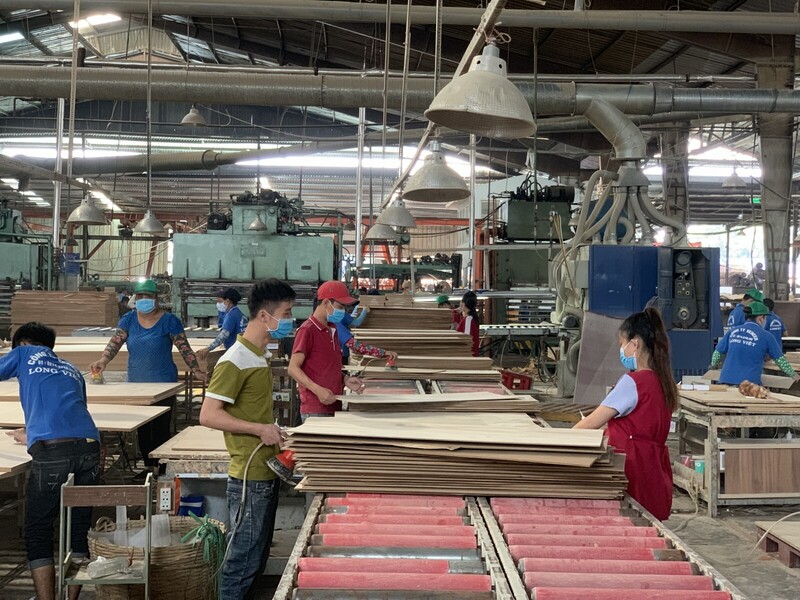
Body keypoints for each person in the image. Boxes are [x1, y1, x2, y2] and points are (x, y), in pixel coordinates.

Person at [199, 279, 295, 600]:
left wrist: (274, 430)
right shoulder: (235, 359)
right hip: (249, 478)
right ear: (265, 316)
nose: (290, 319)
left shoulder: (258, 355)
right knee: (241, 562)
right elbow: (208, 415)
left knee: (255, 560)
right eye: (286, 313)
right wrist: (258, 430)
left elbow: (254, 412)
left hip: (264, 472)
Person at [0, 322, 100, 600]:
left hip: (54, 452)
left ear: (22, 343)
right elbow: (70, 413)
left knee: (38, 529)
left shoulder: (24, 353)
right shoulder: (71, 369)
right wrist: (30, 433)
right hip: (89, 446)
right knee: (78, 527)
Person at [89, 279, 206, 467]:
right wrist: (103, 360)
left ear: (156, 298)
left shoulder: (169, 321)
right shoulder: (128, 320)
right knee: (142, 428)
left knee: (160, 428)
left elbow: (184, 348)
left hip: (163, 384)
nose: (144, 299)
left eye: (148, 296)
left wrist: (196, 370)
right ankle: (149, 467)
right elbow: (115, 342)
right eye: (140, 296)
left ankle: (161, 467)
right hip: (137, 385)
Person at [574, 308, 676, 520]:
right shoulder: (662, 381)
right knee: (645, 525)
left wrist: (559, 440)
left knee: (627, 521)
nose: (621, 350)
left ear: (635, 344)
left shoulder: (634, 382)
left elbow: (591, 422)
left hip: (629, 468)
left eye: (622, 344)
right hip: (652, 468)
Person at [272, 282, 367, 483]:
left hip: (332, 405)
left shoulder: (332, 330)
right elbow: (293, 368)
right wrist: (318, 390)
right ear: (326, 303)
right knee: (317, 469)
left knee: (328, 464)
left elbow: (325, 366)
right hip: (315, 408)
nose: (342, 311)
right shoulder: (307, 330)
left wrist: (345, 379)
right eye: (340, 306)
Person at [711, 301, 799, 386]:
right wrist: (793, 374)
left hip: (726, 380)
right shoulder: (766, 336)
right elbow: (780, 360)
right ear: (760, 318)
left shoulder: (732, 332)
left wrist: (713, 365)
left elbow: (717, 352)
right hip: (748, 385)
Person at [196, 288, 249, 361]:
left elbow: (223, 336)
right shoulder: (238, 313)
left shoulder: (231, 315)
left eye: (219, 301)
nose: (217, 304)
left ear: (227, 301)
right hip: (243, 350)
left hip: (236, 353)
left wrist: (208, 348)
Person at [456, 291, 480, 357]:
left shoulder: (468, 319)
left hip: (469, 357)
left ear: (463, 303)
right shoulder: (469, 318)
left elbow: (467, 341)